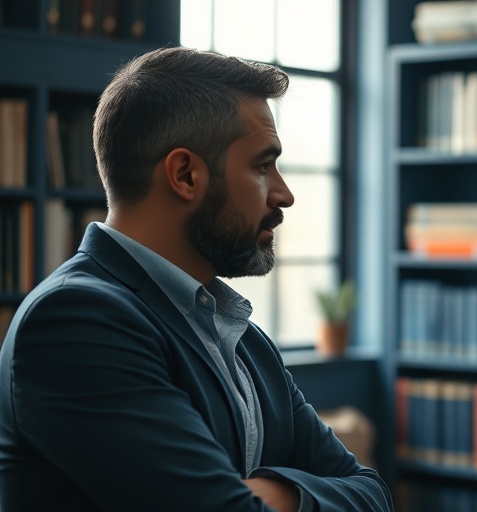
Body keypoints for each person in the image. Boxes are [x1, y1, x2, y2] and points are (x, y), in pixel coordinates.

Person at [0, 47, 393, 512]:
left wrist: (281, 494)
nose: (284, 194)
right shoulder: (76, 321)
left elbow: (373, 492)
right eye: (263, 166)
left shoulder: (243, 337)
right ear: (185, 174)